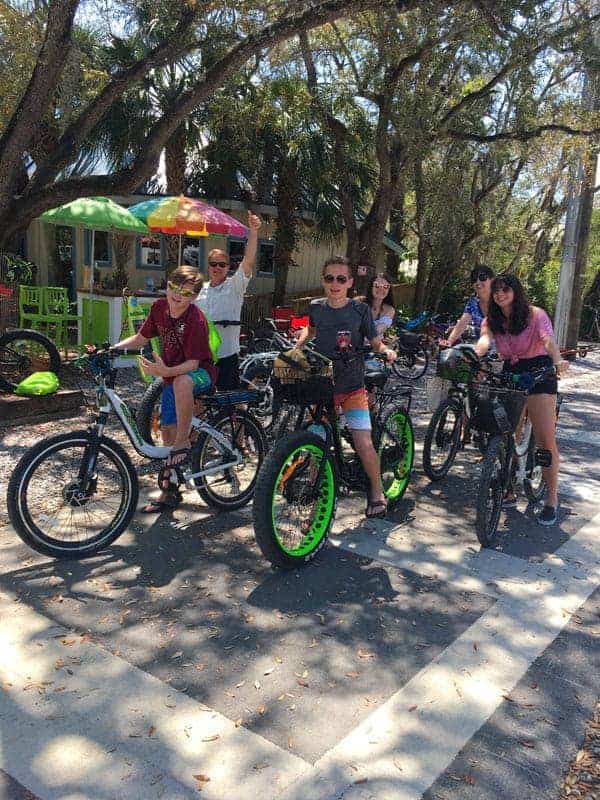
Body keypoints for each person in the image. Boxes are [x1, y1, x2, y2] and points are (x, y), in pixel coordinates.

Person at [294, 256, 397, 519]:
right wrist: (296, 348)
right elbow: (311, 331)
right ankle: (318, 500)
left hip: (352, 387)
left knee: (363, 442)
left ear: (350, 282)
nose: (335, 284)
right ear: (323, 281)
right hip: (322, 386)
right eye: (330, 278)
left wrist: (385, 350)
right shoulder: (316, 307)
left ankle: (376, 492)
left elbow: (374, 340)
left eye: (341, 279)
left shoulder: (360, 311)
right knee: (316, 443)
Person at [115, 265, 216, 512]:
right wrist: (112, 349)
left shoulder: (195, 319)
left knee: (182, 382)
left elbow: (193, 364)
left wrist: (164, 373)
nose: (177, 295)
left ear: (194, 297)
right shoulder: (159, 308)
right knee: (166, 433)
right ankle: (169, 492)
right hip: (172, 376)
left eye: (185, 292)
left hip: (201, 373)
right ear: (167, 286)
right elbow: (141, 337)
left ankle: (184, 442)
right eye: (173, 287)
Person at [474, 273, 569, 526]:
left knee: (545, 441)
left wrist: (557, 360)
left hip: (539, 372)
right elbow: (484, 341)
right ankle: (509, 486)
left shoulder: (535, 314)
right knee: (507, 433)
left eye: (505, 289)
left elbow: (548, 340)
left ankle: (551, 499)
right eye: (496, 290)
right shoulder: (491, 320)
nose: (500, 294)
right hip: (511, 374)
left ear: (516, 291)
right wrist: (472, 355)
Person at [196, 211, 262, 390]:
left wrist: (253, 231)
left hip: (226, 355)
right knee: (200, 400)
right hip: (202, 356)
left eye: (222, 264)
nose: (217, 268)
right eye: (213, 264)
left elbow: (248, 262)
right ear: (208, 266)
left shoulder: (235, 286)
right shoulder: (199, 290)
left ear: (228, 268)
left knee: (229, 403)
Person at [441, 265, 495, 347]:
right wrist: (449, 342)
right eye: (474, 279)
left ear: (492, 280)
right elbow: (461, 324)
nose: (477, 282)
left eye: (482, 277)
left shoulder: (501, 300)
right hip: (481, 349)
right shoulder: (473, 303)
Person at [363, 272, 396, 337]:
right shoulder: (358, 302)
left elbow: (376, 332)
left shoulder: (389, 310)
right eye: (377, 285)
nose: (381, 289)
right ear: (371, 287)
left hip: (375, 345)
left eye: (386, 286)